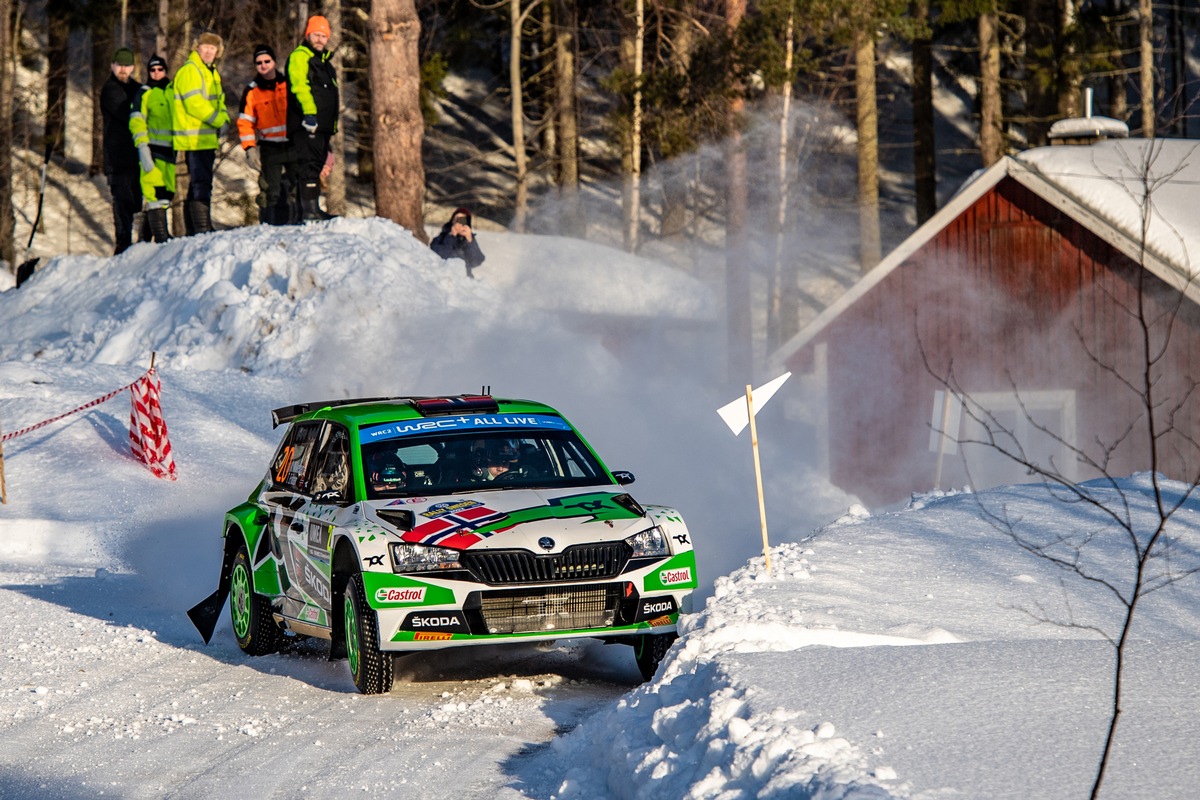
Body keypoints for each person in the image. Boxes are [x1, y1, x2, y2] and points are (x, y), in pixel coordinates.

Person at [173, 31, 230, 235]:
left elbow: (219, 101)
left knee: (200, 182)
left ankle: (195, 229)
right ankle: (202, 228)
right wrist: (217, 119)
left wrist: (224, 119)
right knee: (201, 183)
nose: (208, 51)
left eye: (213, 48)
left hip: (206, 138)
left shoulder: (210, 72)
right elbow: (194, 103)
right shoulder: (191, 70)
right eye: (205, 47)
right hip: (194, 137)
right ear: (197, 47)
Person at [286, 15, 338, 222]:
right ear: (308, 34)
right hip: (307, 122)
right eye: (316, 34)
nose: (319, 39)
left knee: (316, 164)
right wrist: (309, 113)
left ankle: (311, 208)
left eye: (323, 36)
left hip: (323, 125)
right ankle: (309, 212)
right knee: (308, 164)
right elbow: (299, 86)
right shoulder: (300, 56)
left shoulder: (326, 63)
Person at [237, 44, 292, 225]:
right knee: (270, 190)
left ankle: (298, 226)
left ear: (274, 62)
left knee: (296, 186)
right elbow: (245, 122)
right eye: (259, 62)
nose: (263, 65)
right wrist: (250, 148)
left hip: (293, 143)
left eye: (267, 61)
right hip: (270, 146)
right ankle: (270, 227)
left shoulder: (289, 84)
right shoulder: (251, 91)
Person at [129, 54, 175, 242]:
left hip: (171, 151)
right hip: (151, 149)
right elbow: (137, 120)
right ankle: (161, 236)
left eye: (160, 69)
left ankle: (146, 239)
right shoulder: (144, 93)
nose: (156, 73)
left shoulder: (172, 91)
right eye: (153, 70)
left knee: (167, 192)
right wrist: (142, 146)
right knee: (154, 192)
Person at [100, 46, 141, 255]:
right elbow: (128, 113)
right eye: (119, 66)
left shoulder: (137, 88)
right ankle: (123, 244)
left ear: (133, 67)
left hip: (137, 155)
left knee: (136, 200)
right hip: (117, 157)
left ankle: (141, 243)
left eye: (126, 66)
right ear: (112, 66)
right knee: (122, 201)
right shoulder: (110, 89)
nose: (123, 70)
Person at [431, 208, 486, 278]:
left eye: (462, 220)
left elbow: (477, 261)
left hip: (464, 280)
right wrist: (451, 236)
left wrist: (469, 240)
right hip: (444, 276)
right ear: (452, 221)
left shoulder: (468, 240)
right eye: (457, 219)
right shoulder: (442, 237)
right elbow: (439, 255)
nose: (459, 223)